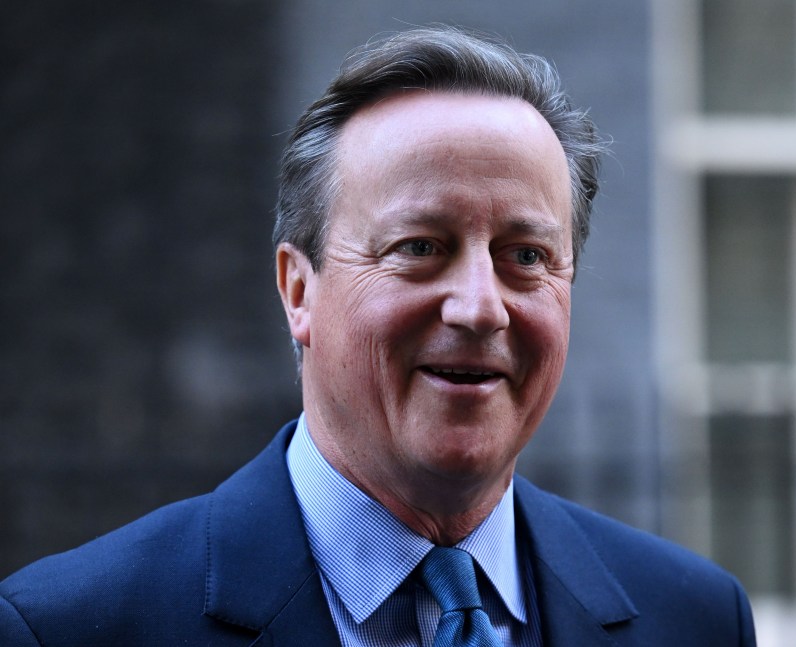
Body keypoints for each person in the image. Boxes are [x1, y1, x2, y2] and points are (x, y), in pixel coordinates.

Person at [0, 26, 756, 646]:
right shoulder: (71, 628)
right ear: (299, 290)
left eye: (526, 257)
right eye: (419, 247)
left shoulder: (694, 619)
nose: (479, 307)